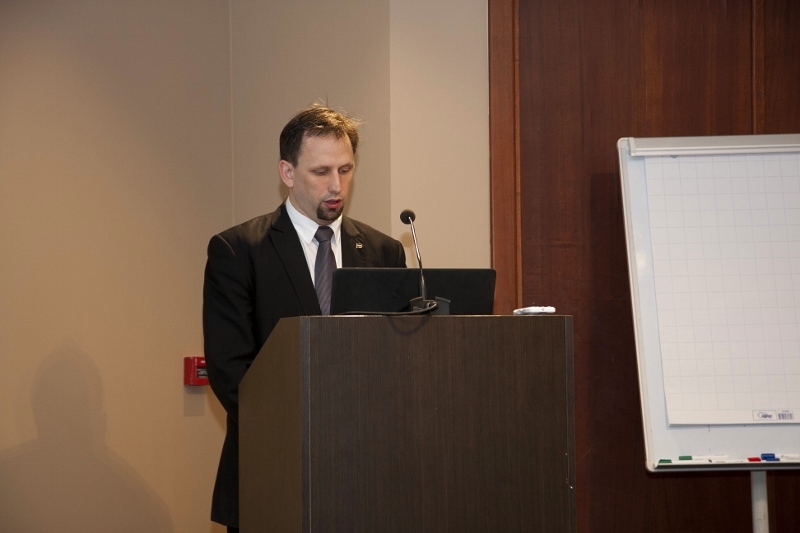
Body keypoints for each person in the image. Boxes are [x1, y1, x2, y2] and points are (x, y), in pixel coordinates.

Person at [202, 105, 407, 531]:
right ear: (288, 172)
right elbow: (231, 371)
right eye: (321, 171)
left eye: (346, 169)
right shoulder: (239, 251)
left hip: (367, 476)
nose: (336, 186)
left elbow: (398, 361)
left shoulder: (384, 252)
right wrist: (310, 433)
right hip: (271, 472)